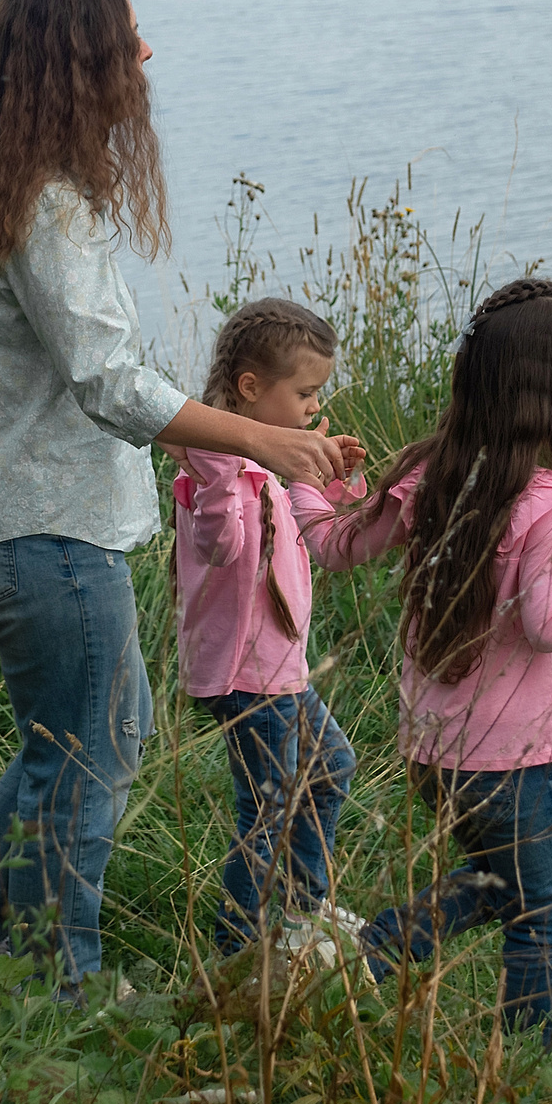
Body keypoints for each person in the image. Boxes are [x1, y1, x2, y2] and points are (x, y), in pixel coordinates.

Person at [0, 0, 361, 993]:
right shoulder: (47, 209)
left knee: (67, 740)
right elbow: (110, 382)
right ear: (85, 60)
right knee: (95, 752)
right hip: (40, 529)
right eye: (128, 37)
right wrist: (265, 441)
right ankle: (65, 985)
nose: (146, 53)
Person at [294, 277, 552, 1042]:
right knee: (537, 916)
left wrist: (310, 482)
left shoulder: (431, 473)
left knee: (494, 888)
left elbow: (333, 543)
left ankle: (357, 955)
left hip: (434, 751)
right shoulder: (543, 500)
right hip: (512, 761)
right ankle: (525, 1064)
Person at [172, 297, 369, 958]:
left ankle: (298, 908)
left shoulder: (263, 465)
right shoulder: (215, 472)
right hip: (243, 675)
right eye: (306, 392)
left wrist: (329, 471)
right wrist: (222, 470)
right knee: (269, 807)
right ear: (252, 390)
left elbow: (303, 534)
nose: (316, 405)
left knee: (330, 765)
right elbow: (223, 547)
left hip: (279, 668)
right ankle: (240, 944)